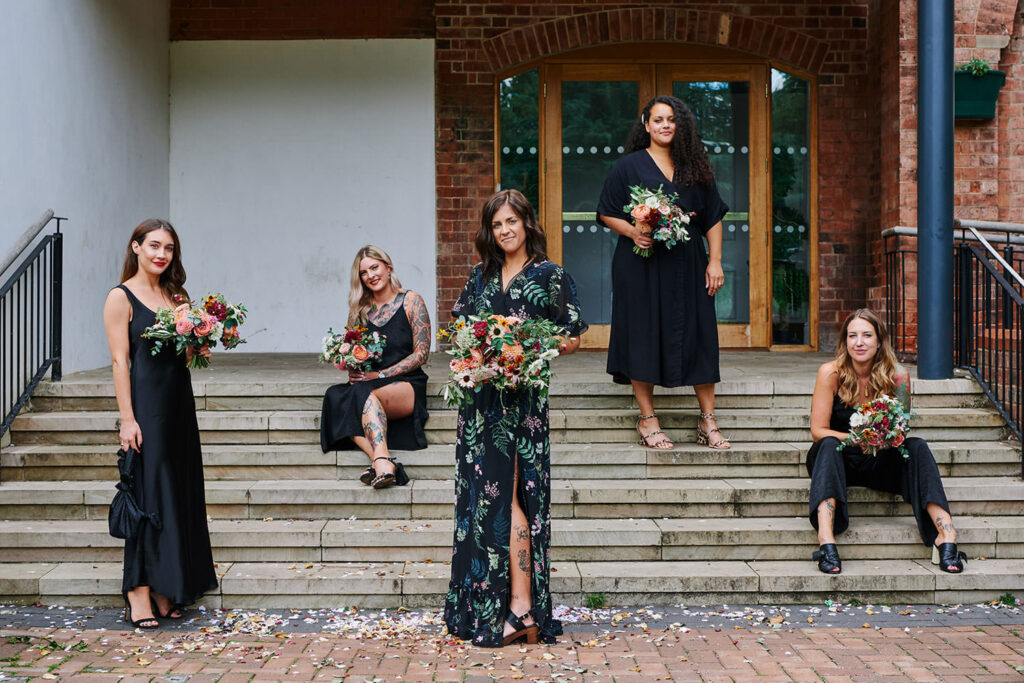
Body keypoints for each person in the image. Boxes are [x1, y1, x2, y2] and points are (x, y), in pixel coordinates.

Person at [444, 189, 587, 647]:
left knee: (513, 500)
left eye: (512, 221)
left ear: (527, 223)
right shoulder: (480, 276)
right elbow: (461, 334)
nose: (505, 231)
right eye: (497, 224)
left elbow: (571, 337)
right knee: (481, 504)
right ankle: (485, 605)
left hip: (521, 408)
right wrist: (470, 359)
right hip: (480, 407)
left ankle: (522, 606)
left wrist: (529, 352)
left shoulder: (549, 275)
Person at [597, 94, 730, 451]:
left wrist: (714, 261)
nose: (665, 125)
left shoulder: (695, 166)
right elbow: (607, 211)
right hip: (640, 263)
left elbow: (713, 216)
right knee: (642, 335)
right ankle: (648, 419)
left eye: (671, 119)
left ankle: (708, 420)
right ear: (646, 125)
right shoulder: (627, 166)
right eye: (657, 120)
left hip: (688, 265)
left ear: (680, 124)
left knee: (701, 336)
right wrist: (632, 231)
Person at [102, 219, 218, 629]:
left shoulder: (176, 296)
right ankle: (138, 591)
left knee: (178, 493)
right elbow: (121, 362)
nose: (161, 254)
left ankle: (168, 585)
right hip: (146, 408)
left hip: (179, 406)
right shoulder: (120, 297)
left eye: (168, 248)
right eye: (153, 245)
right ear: (136, 247)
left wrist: (200, 338)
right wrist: (127, 418)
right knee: (149, 495)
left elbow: (184, 359)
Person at [806, 308, 967, 575]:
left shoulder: (898, 377)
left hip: (879, 459)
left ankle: (946, 534)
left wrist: (885, 438)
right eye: (852, 335)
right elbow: (817, 430)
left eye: (867, 335)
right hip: (837, 460)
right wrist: (862, 438)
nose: (859, 342)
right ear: (845, 341)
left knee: (916, 445)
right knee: (827, 445)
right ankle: (826, 540)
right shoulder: (830, 373)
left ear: (880, 341)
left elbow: (901, 430)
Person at [319, 246, 430, 488]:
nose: (370, 275)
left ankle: (379, 459)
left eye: (374, 267)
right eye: (363, 272)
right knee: (335, 394)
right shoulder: (359, 311)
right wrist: (353, 369)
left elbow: (421, 353)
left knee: (358, 395)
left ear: (388, 268)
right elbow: (351, 352)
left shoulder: (411, 301)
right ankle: (382, 460)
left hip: (407, 384)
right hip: (370, 384)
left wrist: (380, 374)